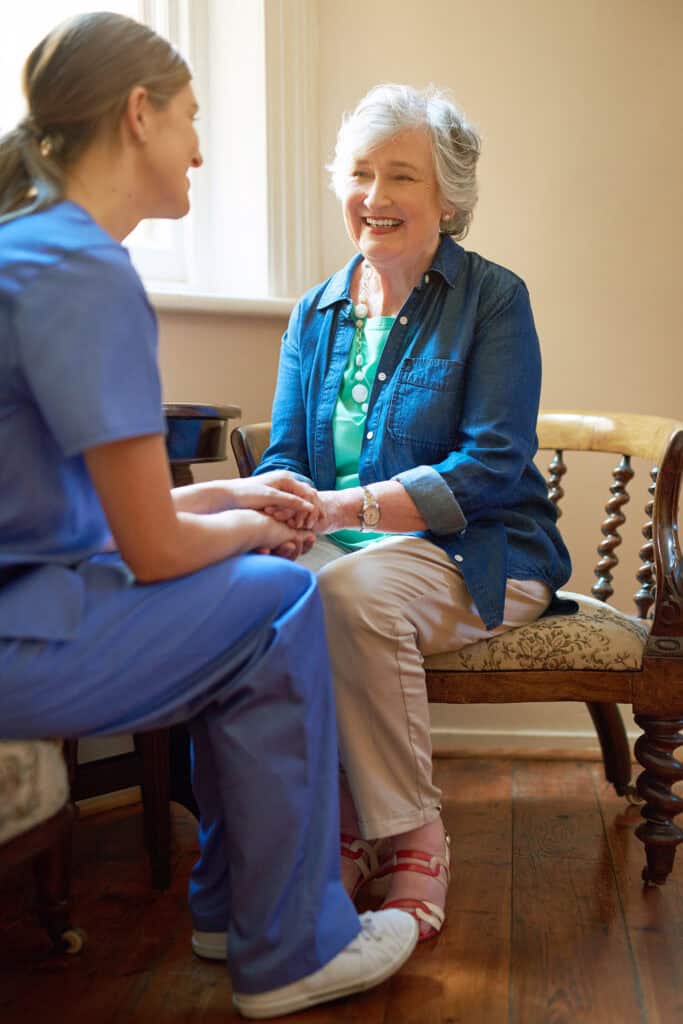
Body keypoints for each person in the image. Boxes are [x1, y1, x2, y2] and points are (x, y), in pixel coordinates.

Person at [0, 16, 418, 1019]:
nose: (199, 145)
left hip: (31, 591)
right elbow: (149, 546)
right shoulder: (80, 270)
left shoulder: (30, 245)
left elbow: (82, 515)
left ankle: (240, 912)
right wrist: (265, 529)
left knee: (253, 591)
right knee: (277, 600)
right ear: (137, 115)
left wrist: (232, 495)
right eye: (190, 118)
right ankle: (288, 947)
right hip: (19, 635)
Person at [256, 83, 573, 942]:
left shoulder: (493, 300)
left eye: (403, 176)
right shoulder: (314, 313)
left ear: (448, 200)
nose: (376, 196)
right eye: (361, 173)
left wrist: (343, 507)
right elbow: (285, 453)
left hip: (480, 554)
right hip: (342, 550)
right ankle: (321, 832)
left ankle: (412, 839)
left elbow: (489, 465)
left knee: (351, 595)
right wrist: (286, 509)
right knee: (250, 595)